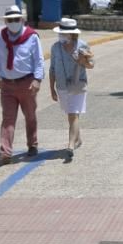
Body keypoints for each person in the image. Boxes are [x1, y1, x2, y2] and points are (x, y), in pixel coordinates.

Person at [0, 5, 44, 165]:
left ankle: (32, 144)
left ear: (22, 20)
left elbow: (39, 60)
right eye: (10, 20)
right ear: (6, 21)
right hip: (7, 84)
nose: (13, 22)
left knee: (30, 116)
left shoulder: (32, 36)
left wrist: (37, 79)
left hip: (26, 83)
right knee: (8, 118)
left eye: (16, 19)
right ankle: (6, 152)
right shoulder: (0, 37)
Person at [48, 17, 94, 159]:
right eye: (60, 33)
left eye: (64, 33)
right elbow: (52, 69)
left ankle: (70, 146)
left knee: (73, 115)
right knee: (71, 116)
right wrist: (52, 89)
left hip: (78, 85)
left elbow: (91, 65)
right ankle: (78, 139)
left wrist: (82, 61)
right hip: (61, 86)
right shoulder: (55, 47)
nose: (61, 35)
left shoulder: (82, 46)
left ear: (72, 34)